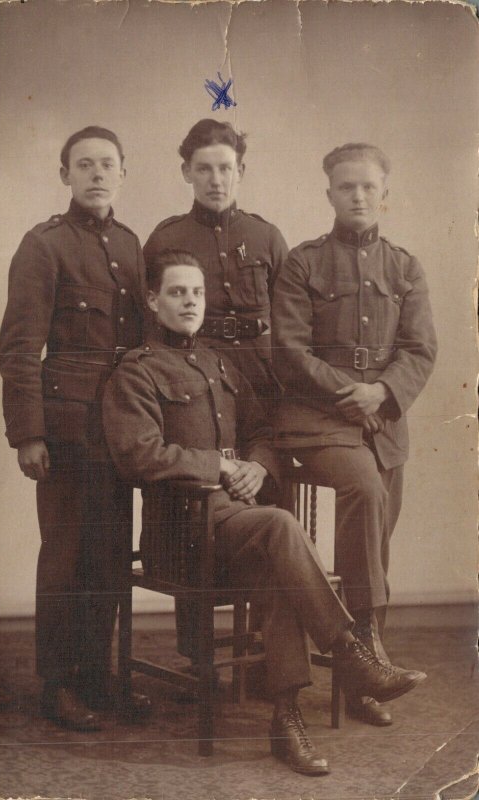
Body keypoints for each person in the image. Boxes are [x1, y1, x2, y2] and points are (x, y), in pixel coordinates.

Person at [102, 248, 427, 776]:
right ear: (153, 299)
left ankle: (286, 718)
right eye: (178, 292)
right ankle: (349, 653)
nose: (190, 302)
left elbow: (264, 434)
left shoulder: (220, 363)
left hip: (240, 533)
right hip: (180, 536)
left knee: (279, 567)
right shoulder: (136, 371)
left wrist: (257, 466)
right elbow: (138, 454)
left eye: (197, 292)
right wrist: (220, 467)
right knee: (280, 526)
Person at [271, 143, 437, 727]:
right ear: (330, 195)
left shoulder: (405, 267)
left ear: (385, 194)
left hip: (384, 423)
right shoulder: (303, 262)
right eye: (347, 188)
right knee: (364, 491)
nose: (359, 196)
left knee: (378, 537)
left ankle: (359, 686)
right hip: (316, 421)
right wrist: (353, 394)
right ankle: (364, 649)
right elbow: (290, 350)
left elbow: (419, 350)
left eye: (369, 187)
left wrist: (384, 394)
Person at [0, 126, 151, 731]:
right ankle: (57, 685)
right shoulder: (44, 245)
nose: (96, 174)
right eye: (83, 165)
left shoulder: (133, 245)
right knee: (65, 555)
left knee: (110, 555)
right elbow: (18, 349)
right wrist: (27, 433)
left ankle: (97, 675)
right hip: (64, 430)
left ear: (122, 172)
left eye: (107, 164)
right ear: (65, 175)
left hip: (119, 428)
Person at [143, 118, 288, 669]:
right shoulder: (167, 238)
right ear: (187, 172)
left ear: (240, 171)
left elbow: (290, 321)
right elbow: (151, 320)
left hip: (259, 378)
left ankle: (264, 653)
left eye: (226, 168)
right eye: (203, 168)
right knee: (197, 505)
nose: (216, 179)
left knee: (266, 503)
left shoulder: (267, 237)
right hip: (190, 373)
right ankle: (198, 651)